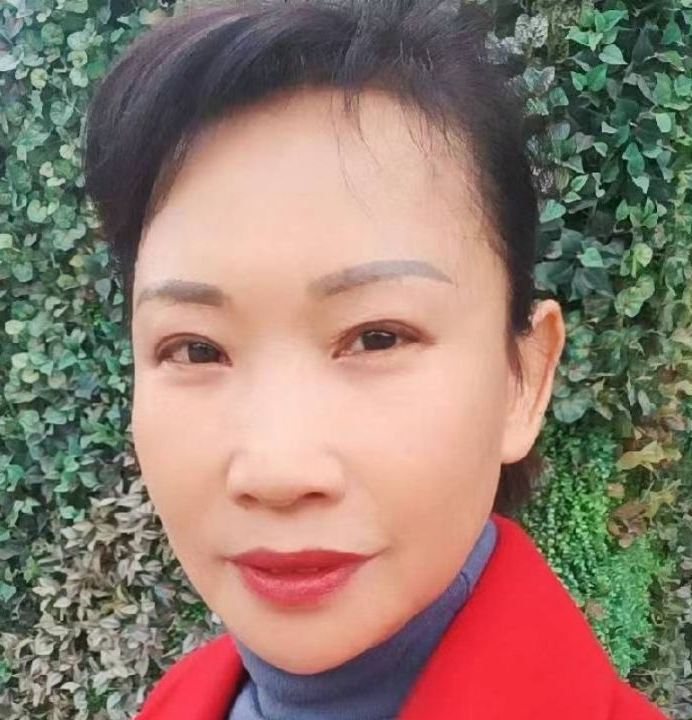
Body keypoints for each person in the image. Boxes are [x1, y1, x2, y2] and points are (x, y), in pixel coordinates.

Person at [81, 0, 669, 718]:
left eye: (378, 337)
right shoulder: (175, 702)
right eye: (196, 348)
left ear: (525, 379)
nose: (277, 472)